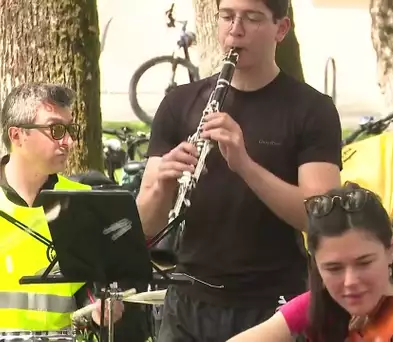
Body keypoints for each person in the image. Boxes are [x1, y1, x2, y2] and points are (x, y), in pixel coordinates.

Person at [135, 0, 342, 339]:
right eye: (227, 16)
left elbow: (322, 217)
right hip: (188, 302)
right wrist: (160, 181)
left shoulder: (311, 109)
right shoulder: (179, 103)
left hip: (272, 305)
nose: (236, 29)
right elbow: (146, 225)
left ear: (281, 29)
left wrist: (245, 166)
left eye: (252, 18)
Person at [226, 183, 393, 341]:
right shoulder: (320, 306)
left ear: (390, 249)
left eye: (364, 263)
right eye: (333, 268)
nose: (350, 282)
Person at [0, 83, 125, 338]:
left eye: (70, 129)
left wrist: (99, 309)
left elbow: (88, 287)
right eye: (56, 130)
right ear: (17, 136)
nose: (69, 142)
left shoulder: (81, 201)